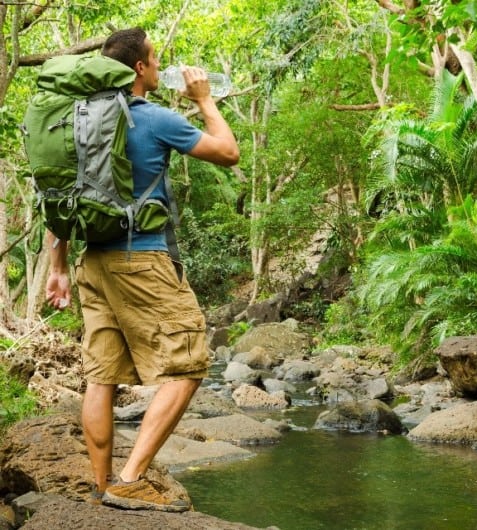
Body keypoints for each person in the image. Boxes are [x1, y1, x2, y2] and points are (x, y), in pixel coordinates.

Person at [44, 27, 239, 512]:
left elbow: (61, 196)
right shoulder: (153, 118)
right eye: (155, 60)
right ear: (139, 68)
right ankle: (130, 480)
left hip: (93, 261)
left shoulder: (79, 120)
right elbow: (228, 153)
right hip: (142, 258)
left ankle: (101, 483)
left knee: (102, 376)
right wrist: (205, 100)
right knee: (189, 365)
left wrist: (58, 266)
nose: (159, 67)